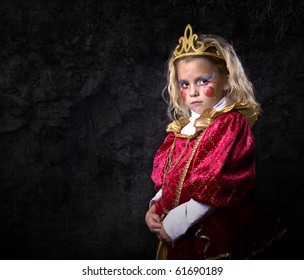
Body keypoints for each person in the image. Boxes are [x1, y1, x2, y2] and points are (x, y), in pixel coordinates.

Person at [145, 24, 286, 259]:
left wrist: (176, 223)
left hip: (213, 230)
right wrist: (154, 207)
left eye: (202, 81)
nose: (192, 92)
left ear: (226, 80)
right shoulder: (180, 130)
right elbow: (168, 178)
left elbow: (216, 184)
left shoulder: (229, 124)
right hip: (172, 230)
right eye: (184, 84)